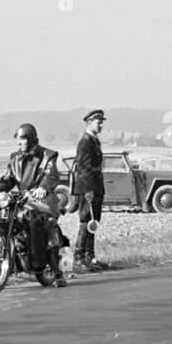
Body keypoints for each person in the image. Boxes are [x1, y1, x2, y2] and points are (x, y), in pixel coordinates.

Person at [0, 123, 67, 287]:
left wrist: (43, 188)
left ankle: (57, 272)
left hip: (43, 200)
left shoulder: (47, 156)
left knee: (45, 225)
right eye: (18, 139)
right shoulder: (15, 158)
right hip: (22, 200)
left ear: (33, 139)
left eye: (23, 139)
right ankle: (1, 266)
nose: (19, 143)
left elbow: (51, 175)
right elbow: (8, 178)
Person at [72, 109, 107, 272]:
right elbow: (84, 168)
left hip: (95, 186)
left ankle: (89, 257)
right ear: (89, 123)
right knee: (86, 222)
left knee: (93, 223)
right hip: (89, 187)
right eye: (98, 122)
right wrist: (88, 190)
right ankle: (78, 258)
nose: (100, 125)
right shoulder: (85, 142)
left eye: (101, 122)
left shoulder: (93, 140)